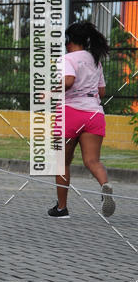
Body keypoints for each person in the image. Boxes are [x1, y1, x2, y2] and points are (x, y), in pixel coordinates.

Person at [48, 20, 116, 219]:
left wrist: (50, 92)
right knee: (92, 160)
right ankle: (105, 186)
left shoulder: (67, 59)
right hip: (94, 114)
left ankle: (62, 208)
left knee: (62, 163)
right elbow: (101, 91)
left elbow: (68, 81)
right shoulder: (95, 59)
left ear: (68, 40)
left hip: (69, 113)